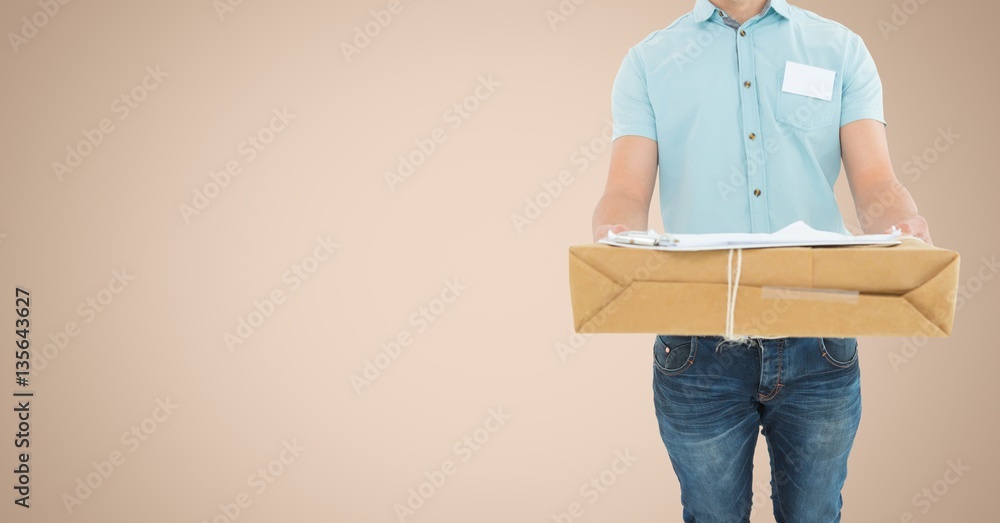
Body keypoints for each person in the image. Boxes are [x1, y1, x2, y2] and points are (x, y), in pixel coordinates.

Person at [591, 0, 932, 521]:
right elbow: (625, 191)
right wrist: (615, 237)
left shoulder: (839, 49)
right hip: (697, 346)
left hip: (819, 337)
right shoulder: (650, 60)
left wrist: (902, 223)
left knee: (815, 515)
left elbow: (876, 182)